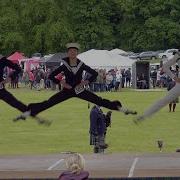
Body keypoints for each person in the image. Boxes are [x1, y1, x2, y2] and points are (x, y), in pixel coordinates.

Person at [15, 43, 137, 121]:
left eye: (75, 51)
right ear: (68, 52)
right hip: (67, 90)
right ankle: (29, 112)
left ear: (77, 53)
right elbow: (51, 76)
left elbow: (94, 73)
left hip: (79, 90)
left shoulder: (81, 64)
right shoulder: (64, 64)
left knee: (98, 100)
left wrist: (85, 82)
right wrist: (62, 82)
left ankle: (121, 109)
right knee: (50, 102)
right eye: (70, 51)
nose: (72, 53)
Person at [134, 50, 180, 123]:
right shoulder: (176, 57)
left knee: (162, 101)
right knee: (163, 101)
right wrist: (174, 78)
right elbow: (164, 68)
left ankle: (144, 116)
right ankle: (144, 116)